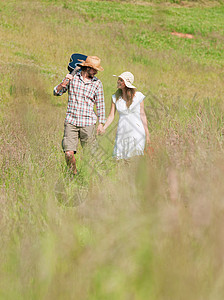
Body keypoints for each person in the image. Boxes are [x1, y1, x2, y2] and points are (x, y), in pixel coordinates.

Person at [54, 56, 106, 175]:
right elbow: (56, 93)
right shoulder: (72, 78)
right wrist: (63, 83)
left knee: (90, 155)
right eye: (94, 69)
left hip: (88, 123)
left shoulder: (97, 83)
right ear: (87, 68)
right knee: (68, 153)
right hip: (71, 122)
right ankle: (73, 174)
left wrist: (101, 124)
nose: (96, 72)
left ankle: (88, 178)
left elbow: (100, 104)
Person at [100, 71, 150, 160]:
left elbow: (143, 115)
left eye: (121, 80)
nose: (118, 81)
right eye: (118, 79)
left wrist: (147, 134)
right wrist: (104, 127)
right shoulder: (115, 97)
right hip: (122, 130)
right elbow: (111, 116)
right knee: (121, 159)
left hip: (137, 130)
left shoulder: (138, 96)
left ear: (126, 84)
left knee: (134, 157)